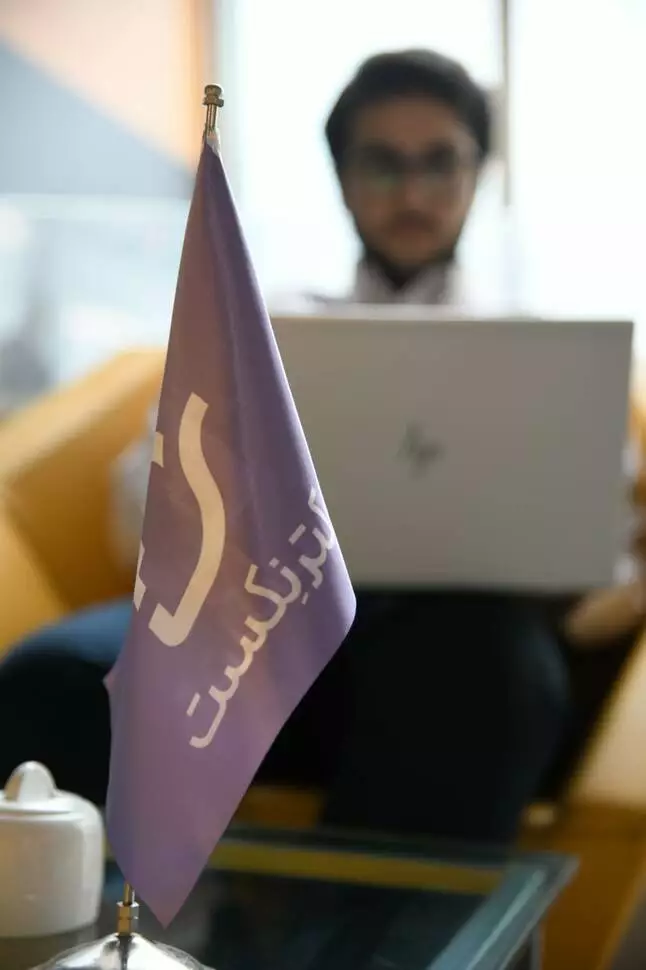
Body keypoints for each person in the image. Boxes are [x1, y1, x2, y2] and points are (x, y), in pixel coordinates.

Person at [0, 50, 624, 843]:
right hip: (258, 637)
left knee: (485, 670)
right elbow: (136, 515)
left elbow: (598, 546)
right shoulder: (253, 322)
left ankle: (371, 922)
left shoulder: (544, 354)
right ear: (342, 178)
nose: (412, 194)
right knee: (56, 675)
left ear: (477, 172)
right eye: (382, 164)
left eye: (439, 162)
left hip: (457, 656)